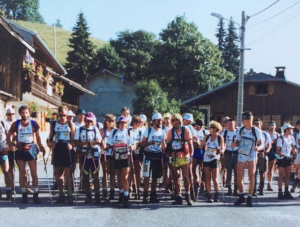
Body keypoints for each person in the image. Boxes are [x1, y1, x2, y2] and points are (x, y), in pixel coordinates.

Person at [6, 106, 45, 204]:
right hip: (20, 149)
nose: (24, 115)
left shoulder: (33, 123)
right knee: (22, 173)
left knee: (33, 173)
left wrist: (41, 146)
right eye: (23, 113)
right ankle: (24, 194)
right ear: (20, 114)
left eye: (26, 112)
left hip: (31, 149)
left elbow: (38, 136)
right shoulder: (16, 124)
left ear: (29, 113)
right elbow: (8, 135)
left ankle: (36, 194)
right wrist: (11, 145)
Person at [233, 111, 263, 207]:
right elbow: (237, 141)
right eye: (244, 119)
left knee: (251, 176)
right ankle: (241, 195)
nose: (246, 121)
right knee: (239, 176)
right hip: (242, 154)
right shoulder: (240, 130)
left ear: (251, 119)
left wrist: (258, 148)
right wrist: (234, 144)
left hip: (252, 155)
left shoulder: (256, 131)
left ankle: (249, 197)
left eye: (248, 119)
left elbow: (261, 143)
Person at [48, 105, 76, 204]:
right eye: (60, 115)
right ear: (58, 115)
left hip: (67, 149)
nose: (62, 117)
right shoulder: (54, 124)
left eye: (64, 115)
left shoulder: (70, 124)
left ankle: (69, 194)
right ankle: (61, 194)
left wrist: (72, 145)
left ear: (67, 114)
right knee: (58, 173)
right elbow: (49, 139)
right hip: (58, 149)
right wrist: (50, 143)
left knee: (68, 173)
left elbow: (73, 140)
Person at [106, 116, 135, 208]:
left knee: (125, 177)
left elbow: (134, 144)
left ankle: (126, 196)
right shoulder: (114, 132)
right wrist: (108, 147)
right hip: (116, 156)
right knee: (119, 176)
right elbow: (108, 143)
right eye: (121, 123)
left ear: (127, 124)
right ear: (118, 124)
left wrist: (132, 147)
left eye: (124, 123)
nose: (122, 125)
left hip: (126, 156)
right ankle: (121, 193)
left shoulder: (129, 132)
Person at [74, 112, 102, 204]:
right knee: (85, 175)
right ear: (84, 120)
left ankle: (97, 196)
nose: (89, 123)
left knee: (95, 175)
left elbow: (99, 140)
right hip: (84, 153)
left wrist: (93, 142)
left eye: (90, 121)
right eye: (87, 121)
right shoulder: (80, 129)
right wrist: (84, 143)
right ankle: (88, 195)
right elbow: (76, 141)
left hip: (94, 153)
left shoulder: (95, 129)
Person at [166, 114, 193, 206]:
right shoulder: (170, 131)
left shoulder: (186, 130)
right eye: (171, 120)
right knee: (176, 176)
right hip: (174, 156)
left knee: (186, 177)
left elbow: (190, 143)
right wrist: (167, 154)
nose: (172, 122)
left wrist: (191, 155)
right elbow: (168, 143)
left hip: (184, 156)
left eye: (173, 120)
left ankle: (188, 195)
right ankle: (179, 195)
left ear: (178, 121)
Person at [141, 113, 166, 204]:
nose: (160, 122)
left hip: (158, 156)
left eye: (161, 120)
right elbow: (142, 143)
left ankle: (153, 195)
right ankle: (145, 196)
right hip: (148, 156)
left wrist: (165, 148)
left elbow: (163, 145)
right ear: (154, 121)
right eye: (158, 120)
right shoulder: (148, 131)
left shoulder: (163, 132)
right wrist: (149, 143)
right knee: (146, 177)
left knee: (155, 177)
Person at [201, 121, 225, 202]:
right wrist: (199, 145)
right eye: (210, 127)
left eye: (211, 128)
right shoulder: (207, 137)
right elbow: (201, 146)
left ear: (215, 129)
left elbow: (223, 147)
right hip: (206, 158)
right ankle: (209, 194)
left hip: (215, 158)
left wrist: (221, 151)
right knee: (207, 177)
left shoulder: (219, 137)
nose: (210, 129)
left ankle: (216, 194)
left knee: (215, 178)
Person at [276, 123, 296, 199]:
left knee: (288, 176)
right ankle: (280, 192)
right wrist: (283, 155)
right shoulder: (280, 138)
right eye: (290, 128)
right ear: (286, 129)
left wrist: (294, 152)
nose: (292, 130)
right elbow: (277, 150)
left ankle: (286, 192)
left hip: (288, 159)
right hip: (281, 159)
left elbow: (293, 148)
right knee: (281, 175)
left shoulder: (292, 138)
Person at [100, 114, 116, 201]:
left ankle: (112, 191)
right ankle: (104, 191)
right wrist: (101, 143)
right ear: (105, 121)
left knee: (112, 173)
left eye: (113, 121)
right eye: (109, 121)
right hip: (104, 153)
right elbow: (98, 140)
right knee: (105, 172)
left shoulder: (115, 131)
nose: (111, 123)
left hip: (113, 153)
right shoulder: (102, 131)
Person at [253, 119, 271, 196]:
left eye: (258, 124)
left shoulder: (265, 134)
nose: (256, 125)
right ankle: (253, 188)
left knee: (262, 172)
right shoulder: (252, 133)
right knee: (253, 172)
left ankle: (261, 188)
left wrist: (266, 152)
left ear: (261, 125)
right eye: (255, 124)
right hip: (254, 154)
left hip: (262, 154)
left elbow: (269, 145)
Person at [221, 118, 238, 196]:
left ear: (235, 125)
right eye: (228, 124)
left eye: (231, 124)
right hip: (227, 152)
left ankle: (236, 188)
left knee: (237, 171)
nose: (230, 126)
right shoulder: (224, 133)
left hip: (236, 153)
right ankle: (229, 188)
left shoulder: (238, 132)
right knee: (229, 170)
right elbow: (222, 142)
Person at [129, 116, 144, 199]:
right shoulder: (129, 131)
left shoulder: (141, 131)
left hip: (139, 152)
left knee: (138, 171)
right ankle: (130, 188)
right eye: (139, 122)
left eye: (141, 122)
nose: (140, 123)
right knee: (131, 171)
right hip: (130, 152)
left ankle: (137, 188)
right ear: (134, 122)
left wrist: (137, 143)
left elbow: (142, 142)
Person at [192, 118, 208, 196]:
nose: (199, 127)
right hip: (195, 150)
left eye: (201, 125)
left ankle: (203, 183)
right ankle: (196, 181)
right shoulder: (193, 131)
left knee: (203, 169)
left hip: (202, 151)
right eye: (198, 125)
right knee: (194, 168)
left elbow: (208, 141)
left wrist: (204, 144)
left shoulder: (205, 132)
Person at [3, 108, 16, 194]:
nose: (11, 116)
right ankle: (11, 185)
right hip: (9, 147)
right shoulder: (4, 123)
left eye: (12, 114)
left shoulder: (17, 122)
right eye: (9, 114)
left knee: (24, 169)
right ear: (6, 115)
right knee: (9, 168)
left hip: (18, 146)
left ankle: (26, 185)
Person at [266, 121, 280, 191]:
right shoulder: (266, 134)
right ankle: (261, 183)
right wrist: (271, 142)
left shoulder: (277, 135)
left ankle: (269, 183)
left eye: (273, 125)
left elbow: (279, 145)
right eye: (270, 125)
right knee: (265, 168)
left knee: (271, 168)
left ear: (275, 127)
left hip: (273, 152)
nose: (271, 127)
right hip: (266, 152)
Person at [0, 121, 12, 200]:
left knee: (6, 171)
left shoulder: (3, 123)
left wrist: (8, 147)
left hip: (3, 151)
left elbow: (10, 136)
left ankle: (9, 191)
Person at [291, 121, 300, 192]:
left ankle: (296, 182)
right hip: (297, 151)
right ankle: (295, 183)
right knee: (297, 167)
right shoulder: (294, 134)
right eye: (298, 125)